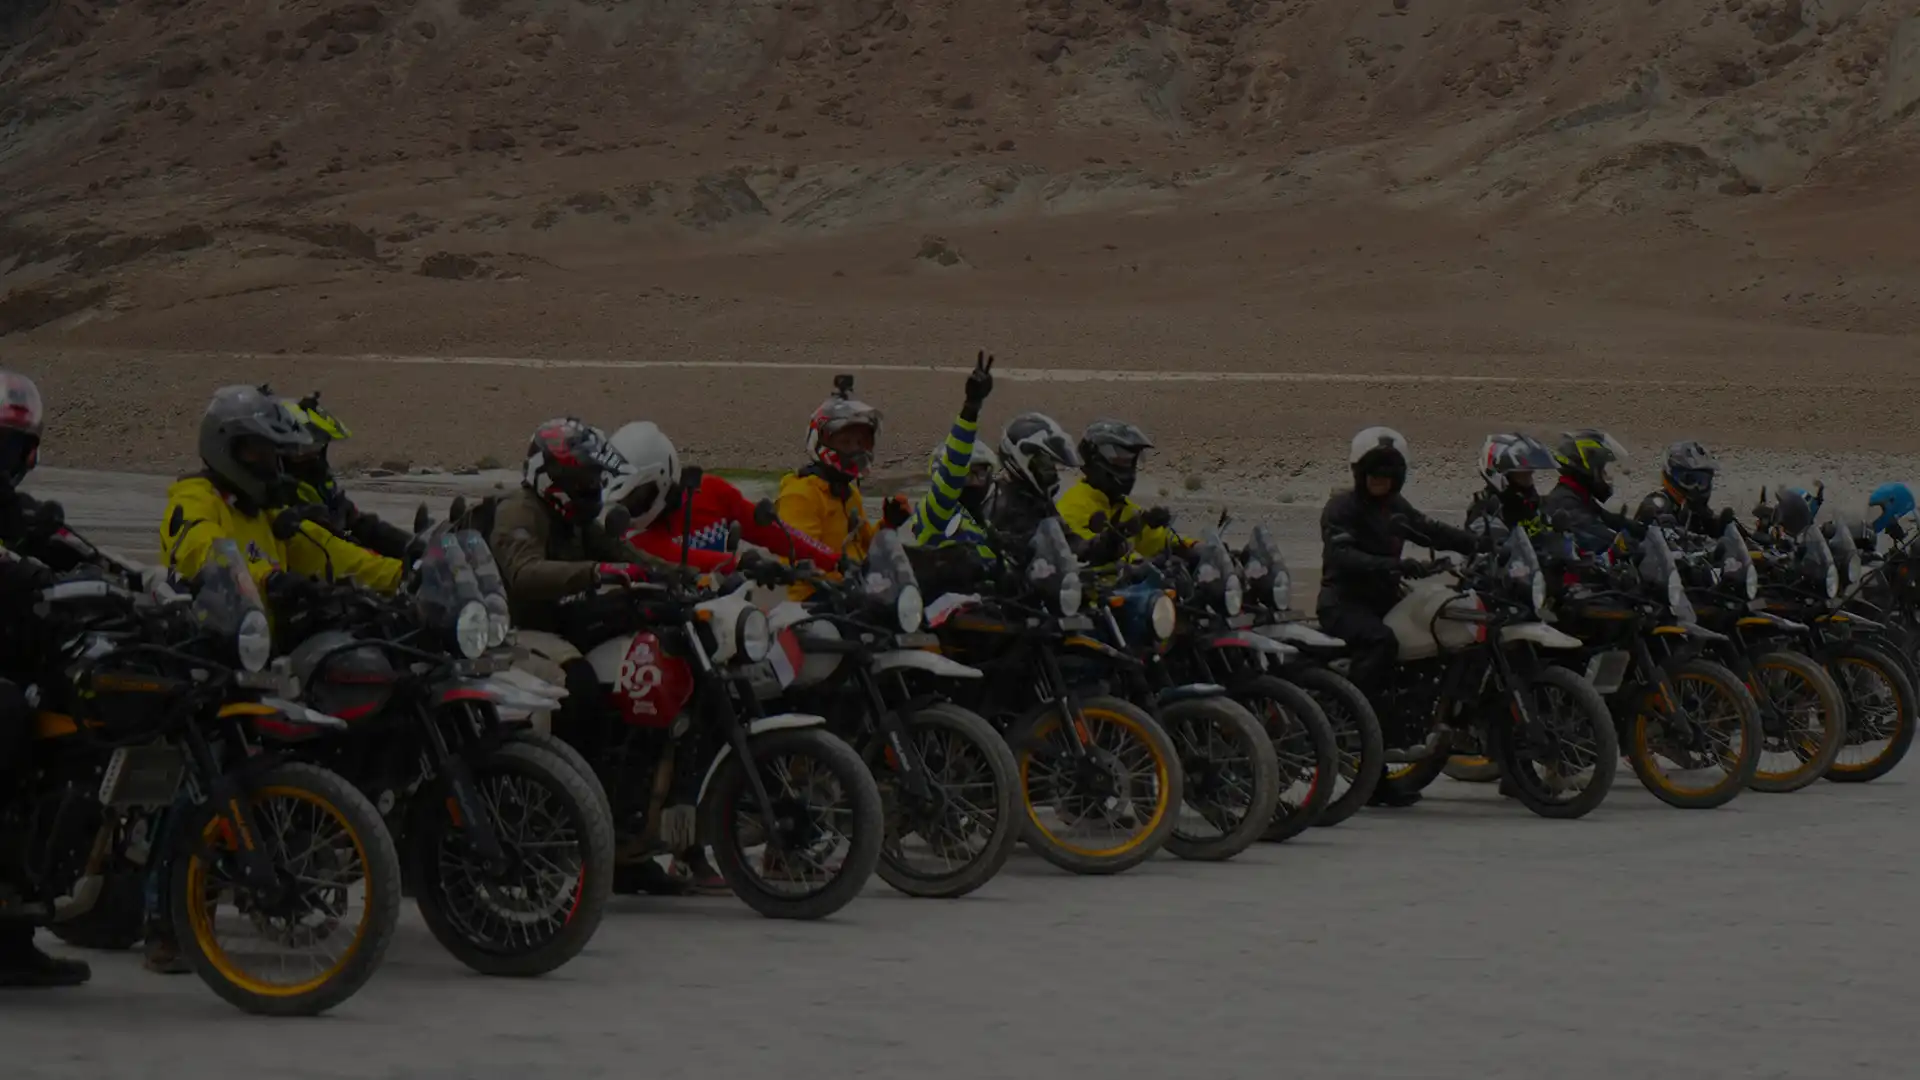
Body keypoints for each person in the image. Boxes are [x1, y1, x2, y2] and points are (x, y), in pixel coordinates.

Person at [1316, 427, 1477, 808]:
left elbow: (1429, 530)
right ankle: (1354, 715)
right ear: (1359, 472)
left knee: (1433, 634)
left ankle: (1403, 735)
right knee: (1381, 642)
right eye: (1373, 474)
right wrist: (1395, 564)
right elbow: (1343, 556)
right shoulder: (1341, 508)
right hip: (1344, 604)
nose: (1379, 481)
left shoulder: (1396, 507)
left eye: (1386, 476)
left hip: (1386, 601)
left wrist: (1478, 543)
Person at [0, 370, 91, 988]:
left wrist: (134, 578)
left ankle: (14, 936)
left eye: (11, 446)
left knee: (70, 696)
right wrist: (29, 578)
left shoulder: (10, 504)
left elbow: (47, 534)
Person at [159, 385, 404, 596]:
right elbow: (203, 550)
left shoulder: (268, 515)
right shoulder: (195, 500)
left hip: (261, 644)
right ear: (224, 447)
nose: (268, 462)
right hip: (210, 642)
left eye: (271, 453)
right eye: (256, 452)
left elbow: (332, 553)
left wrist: (402, 575)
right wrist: (269, 579)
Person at [605, 421, 839, 575]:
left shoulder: (712, 492)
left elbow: (769, 530)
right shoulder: (629, 536)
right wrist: (739, 563)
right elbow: (668, 556)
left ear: (664, 478)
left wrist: (835, 561)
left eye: (637, 495)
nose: (630, 507)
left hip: (729, 620)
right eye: (624, 499)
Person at [277, 390, 413, 560]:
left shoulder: (321, 488)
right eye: (304, 450)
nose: (314, 457)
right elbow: (337, 555)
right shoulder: (278, 507)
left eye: (318, 448)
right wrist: (394, 573)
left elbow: (360, 524)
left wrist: (414, 547)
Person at [776, 376, 893, 565]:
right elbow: (798, 558)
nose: (856, 450)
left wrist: (888, 525)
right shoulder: (801, 496)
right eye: (846, 443)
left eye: (860, 443)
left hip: (857, 586)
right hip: (818, 592)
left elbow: (864, 547)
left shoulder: (848, 493)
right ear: (820, 442)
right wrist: (839, 567)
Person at [1055, 420, 1182, 564]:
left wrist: (1194, 548)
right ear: (1096, 459)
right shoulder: (1074, 506)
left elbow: (1156, 541)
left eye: (1130, 461)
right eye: (1121, 461)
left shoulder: (1123, 507)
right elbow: (1089, 554)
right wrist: (1141, 563)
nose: (1128, 468)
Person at [903, 353, 997, 547]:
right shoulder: (936, 512)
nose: (973, 482)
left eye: (979, 474)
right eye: (967, 474)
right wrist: (971, 407)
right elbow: (954, 466)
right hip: (943, 576)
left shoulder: (988, 521)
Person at [1541, 428, 1640, 554]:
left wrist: (1640, 526)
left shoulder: (1579, 495)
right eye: (1602, 470)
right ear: (1587, 468)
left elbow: (1606, 518)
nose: (1607, 477)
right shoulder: (1564, 501)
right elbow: (1594, 531)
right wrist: (1625, 543)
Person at [1465, 433, 1556, 540]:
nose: (1528, 482)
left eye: (1529, 475)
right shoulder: (1486, 511)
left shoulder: (1531, 504)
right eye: (1522, 476)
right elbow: (1489, 548)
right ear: (1501, 475)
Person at [1635, 441, 1736, 537]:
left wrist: (1723, 527)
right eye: (1690, 480)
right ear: (1671, 475)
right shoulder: (1656, 503)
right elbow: (1643, 540)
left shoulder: (1699, 510)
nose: (1696, 487)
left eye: (1702, 481)